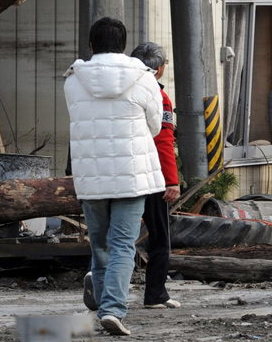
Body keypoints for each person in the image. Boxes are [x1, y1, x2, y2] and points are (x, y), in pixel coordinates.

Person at [65, 18, 165, 337]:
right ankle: (112, 309)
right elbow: (155, 126)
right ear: (124, 45)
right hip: (132, 176)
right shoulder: (145, 79)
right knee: (123, 243)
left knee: (100, 243)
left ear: (91, 45)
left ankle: (103, 296)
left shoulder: (73, 80)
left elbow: (82, 122)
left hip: (91, 177)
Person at [130, 42, 181, 309]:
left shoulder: (120, 92)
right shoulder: (159, 98)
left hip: (119, 175)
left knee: (118, 236)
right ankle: (155, 294)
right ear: (159, 70)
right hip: (151, 177)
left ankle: (103, 289)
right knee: (159, 237)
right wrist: (171, 180)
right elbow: (164, 140)